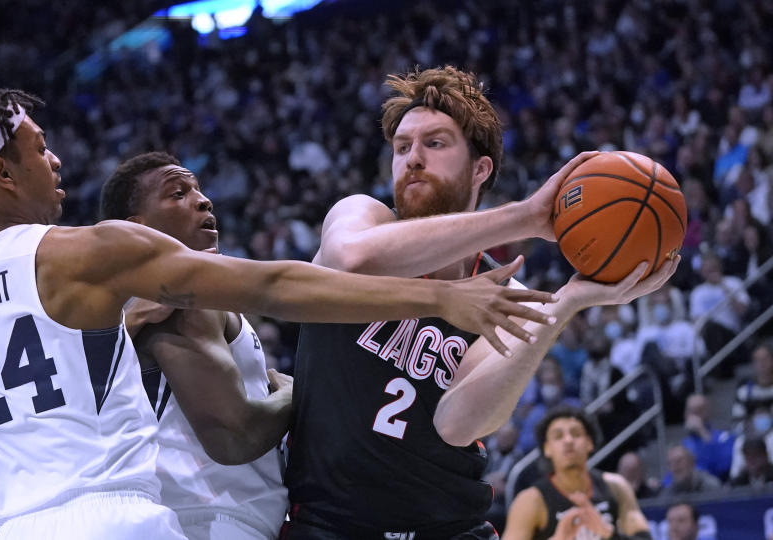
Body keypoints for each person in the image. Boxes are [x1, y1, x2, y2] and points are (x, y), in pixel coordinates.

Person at [0, 82, 555, 539]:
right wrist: (438, 297)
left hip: (16, 524)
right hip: (123, 518)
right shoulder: (85, 254)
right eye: (38, 147)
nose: (55, 158)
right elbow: (269, 287)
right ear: (2, 175)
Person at [283, 65, 676, 539]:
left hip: (449, 526)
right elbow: (351, 258)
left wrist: (567, 301)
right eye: (402, 146)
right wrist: (525, 217)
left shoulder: (502, 291)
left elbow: (458, 422)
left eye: (435, 143)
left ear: (480, 168)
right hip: (332, 525)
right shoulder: (361, 215)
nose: (413, 158)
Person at [98, 151, 291, 539]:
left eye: (198, 190)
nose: (203, 200)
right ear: (136, 228)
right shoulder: (180, 299)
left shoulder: (116, 315)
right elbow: (234, 435)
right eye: (177, 193)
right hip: (208, 521)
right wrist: (297, 394)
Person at [503, 406, 652, 540]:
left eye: (576, 433)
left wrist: (608, 533)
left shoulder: (616, 486)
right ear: (547, 448)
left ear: (589, 443)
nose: (568, 440)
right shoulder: (531, 500)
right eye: (558, 436)